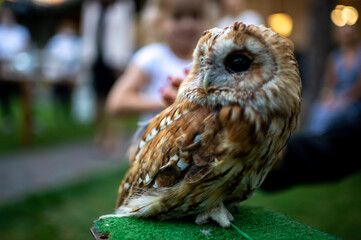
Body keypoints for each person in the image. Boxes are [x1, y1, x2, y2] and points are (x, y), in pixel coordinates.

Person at [106, 0, 212, 121]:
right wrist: (167, 102)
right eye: (177, 17)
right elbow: (117, 102)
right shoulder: (152, 57)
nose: (187, 24)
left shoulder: (211, 60)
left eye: (195, 16)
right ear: (159, 22)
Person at [80, 0, 135, 148]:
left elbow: (126, 35)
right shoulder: (91, 8)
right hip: (95, 58)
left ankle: (114, 135)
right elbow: (86, 32)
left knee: (115, 97)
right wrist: (85, 58)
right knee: (98, 97)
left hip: (114, 60)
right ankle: (99, 133)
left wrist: (123, 60)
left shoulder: (123, 8)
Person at [306, 24, 361, 135]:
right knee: (319, 108)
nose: (347, 37)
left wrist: (339, 100)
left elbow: (358, 89)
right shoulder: (335, 57)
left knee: (325, 115)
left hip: (354, 102)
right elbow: (329, 85)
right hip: (338, 98)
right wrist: (327, 96)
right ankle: (313, 139)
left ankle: (314, 141)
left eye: (350, 34)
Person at [0, 7, 30, 134]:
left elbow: (26, 47)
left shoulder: (22, 31)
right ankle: (8, 117)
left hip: (20, 67)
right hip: (3, 68)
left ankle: (29, 120)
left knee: (25, 93)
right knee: (4, 93)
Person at [43, 19, 81, 120]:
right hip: (57, 72)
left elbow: (77, 57)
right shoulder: (55, 40)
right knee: (57, 94)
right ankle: (57, 113)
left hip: (70, 73)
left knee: (68, 95)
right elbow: (51, 56)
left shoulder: (75, 42)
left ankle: (68, 113)